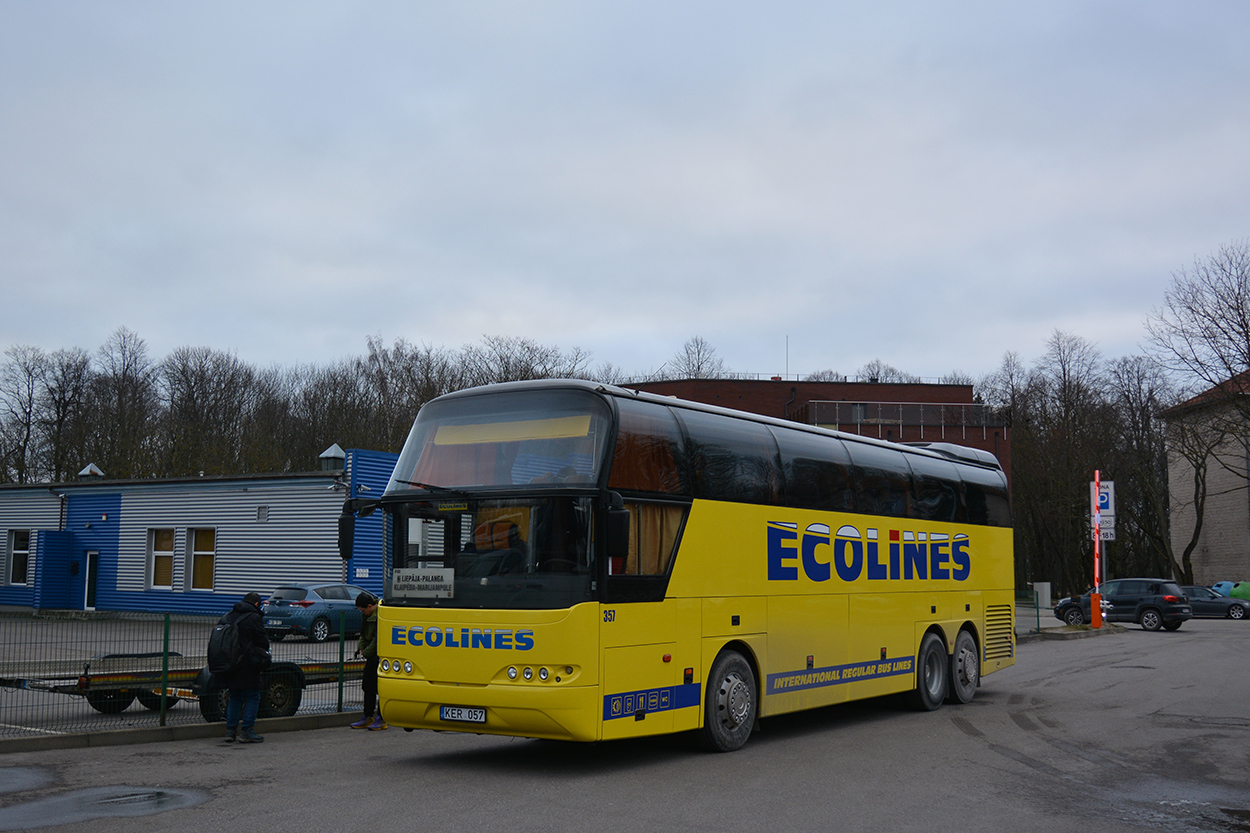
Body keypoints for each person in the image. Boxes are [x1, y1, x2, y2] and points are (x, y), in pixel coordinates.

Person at [217, 591, 272, 743]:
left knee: (235, 696)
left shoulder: (228, 616)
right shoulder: (254, 618)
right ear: (256, 604)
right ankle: (247, 731)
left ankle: (230, 731)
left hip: (230, 663)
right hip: (249, 664)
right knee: (253, 696)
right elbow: (263, 641)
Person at [350, 591, 386, 730]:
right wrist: (361, 647)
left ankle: (382, 718)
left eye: (363, 610)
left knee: (380, 688)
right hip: (370, 656)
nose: (362, 612)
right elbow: (363, 633)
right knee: (367, 686)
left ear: (370, 606)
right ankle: (368, 716)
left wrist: (366, 652)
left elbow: (379, 639)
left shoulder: (381, 615)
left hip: (380, 656)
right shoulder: (366, 616)